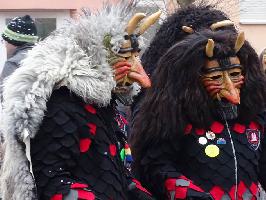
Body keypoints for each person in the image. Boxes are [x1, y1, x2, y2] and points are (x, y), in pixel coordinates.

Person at [0, 2, 160, 200]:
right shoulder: (59, 104)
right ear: (99, 57)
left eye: (136, 56)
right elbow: (53, 182)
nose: (142, 78)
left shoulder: (104, 104)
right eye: (126, 58)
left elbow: (118, 172)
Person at [130, 5, 266, 200]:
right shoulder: (171, 114)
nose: (229, 86)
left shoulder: (255, 114)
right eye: (217, 77)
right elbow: (155, 163)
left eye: (235, 75)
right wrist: (187, 192)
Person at [0, 15, 38, 100]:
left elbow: (5, 98)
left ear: (14, 41)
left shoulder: (13, 63)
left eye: (5, 41)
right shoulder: (46, 58)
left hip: (22, 112)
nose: (5, 45)